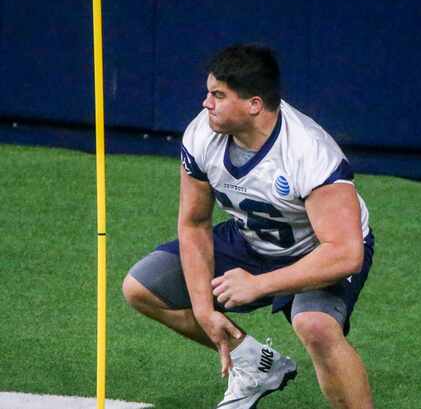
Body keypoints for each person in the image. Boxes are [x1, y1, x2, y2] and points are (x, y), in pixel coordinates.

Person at [122, 43, 375, 408]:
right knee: (141, 288)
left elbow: (345, 253)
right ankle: (255, 364)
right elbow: (194, 223)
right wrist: (204, 311)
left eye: (218, 95)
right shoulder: (201, 135)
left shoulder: (310, 153)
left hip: (317, 249)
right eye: (208, 92)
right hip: (251, 237)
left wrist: (258, 285)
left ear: (254, 104)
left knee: (316, 326)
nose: (206, 103)